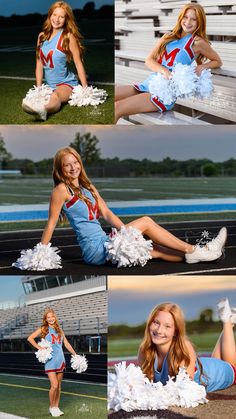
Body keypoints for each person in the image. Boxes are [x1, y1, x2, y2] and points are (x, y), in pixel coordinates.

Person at [39, 146, 226, 266]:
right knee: (146, 222)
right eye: (67, 165)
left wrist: (125, 234)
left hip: (107, 239)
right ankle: (195, 250)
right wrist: (41, 254)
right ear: (60, 169)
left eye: (75, 162)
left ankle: (202, 254)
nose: (73, 168)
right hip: (95, 249)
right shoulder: (61, 190)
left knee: (162, 252)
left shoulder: (88, 186)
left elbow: (106, 213)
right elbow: (51, 224)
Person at [115, 3, 222, 123]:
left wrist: (201, 66)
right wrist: (164, 70)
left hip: (163, 94)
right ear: (181, 17)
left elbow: (217, 61)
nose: (188, 22)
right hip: (149, 84)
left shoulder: (197, 43)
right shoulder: (168, 36)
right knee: (105, 98)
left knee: (117, 108)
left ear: (199, 22)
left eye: (193, 19)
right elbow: (149, 60)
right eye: (185, 17)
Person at [138, 300, 236, 392]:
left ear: (176, 331)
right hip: (206, 365)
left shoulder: (183, 347)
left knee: (233, 368)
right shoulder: (145, 350)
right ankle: (229, 322)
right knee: (219, 362)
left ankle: (227, 322)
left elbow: (186, 390)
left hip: (216, 374)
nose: (159, 330)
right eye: (156, 322)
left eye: (167, 326)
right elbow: (147, 385)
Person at [22, 1, 87, 121]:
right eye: (54, 15)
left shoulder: (68, 36)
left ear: (66, 19)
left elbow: (78, 63)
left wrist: (85, 88)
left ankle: (43, 110)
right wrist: (39, 88)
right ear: (50, 15)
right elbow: (39, 64)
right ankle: (39, 106)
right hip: (49, 85)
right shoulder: (41, 36)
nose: (57, 19)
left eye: (61, 17)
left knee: (55, 96)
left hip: (66, 83)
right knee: (45, 95)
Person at [27, 308, 77, 417]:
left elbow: (66, 344)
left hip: (60, 359)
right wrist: (40, 348)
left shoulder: (59, 329)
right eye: (48, 317)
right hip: (50, 360)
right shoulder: (44, 328)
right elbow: (30, 338)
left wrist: (75, 354)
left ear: (55, 317)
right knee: (54, 385)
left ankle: (56, 407)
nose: (51, 319)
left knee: (59, 386)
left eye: (52, 317)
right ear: (45, 319)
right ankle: (51, 407)